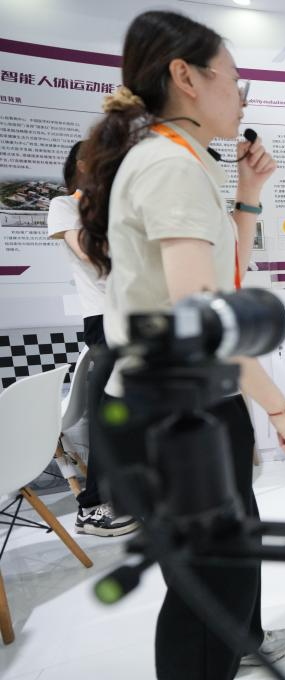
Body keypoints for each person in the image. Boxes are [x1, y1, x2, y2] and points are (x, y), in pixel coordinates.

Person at [77, 10, 285, 679]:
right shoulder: (169, 165)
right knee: (209, 579)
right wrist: (279, 407)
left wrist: (249, 194)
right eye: (234, 80)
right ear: (186, 76)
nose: (241, 97)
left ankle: (242, 641)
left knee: (232, 548)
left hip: (188, 399)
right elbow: (201, 320)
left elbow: (223, 276)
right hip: (176, 407)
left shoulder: (182, 160)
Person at [47, 142, 140, 537]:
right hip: (104, 317)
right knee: (110, 412)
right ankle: (93, 506)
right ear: (82, 165)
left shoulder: (117, 208)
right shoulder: (65, 205)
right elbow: (91, 253)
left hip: (138, 314)